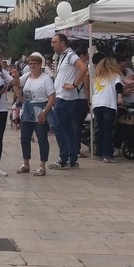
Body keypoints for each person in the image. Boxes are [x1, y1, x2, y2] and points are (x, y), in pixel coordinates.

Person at [50, 33, 88, 169]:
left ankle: (64, 158)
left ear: (63, 43)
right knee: (67, 128)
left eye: (54, 42)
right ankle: (72, 158)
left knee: (58, 126)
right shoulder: (63, 56)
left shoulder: (70, 55)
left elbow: (83, 68)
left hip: (65, 97)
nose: (52, 45)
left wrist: (75, 84)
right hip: (63, 96)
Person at [15, 52, 55, 176]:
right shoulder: (27, 76)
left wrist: (44, 111)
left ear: (40, 65)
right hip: (27, 110)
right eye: (30, 64)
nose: (32, 66)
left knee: (42, 138)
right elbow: (16, 83)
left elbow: (52, 97)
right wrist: (18, 93)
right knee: (25, 138)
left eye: (34, 64)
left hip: (40, 110)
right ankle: (26, 163)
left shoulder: (45, 78)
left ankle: (42, 165)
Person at [91, 56, 124, 163]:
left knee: (101, 129)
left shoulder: (97, 77)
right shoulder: (115, 75)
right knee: (108, 130)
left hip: (97, 104)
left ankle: (100, 153)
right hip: (108, 104)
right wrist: (120, 97)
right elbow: (119, 86)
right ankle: (107, 154)